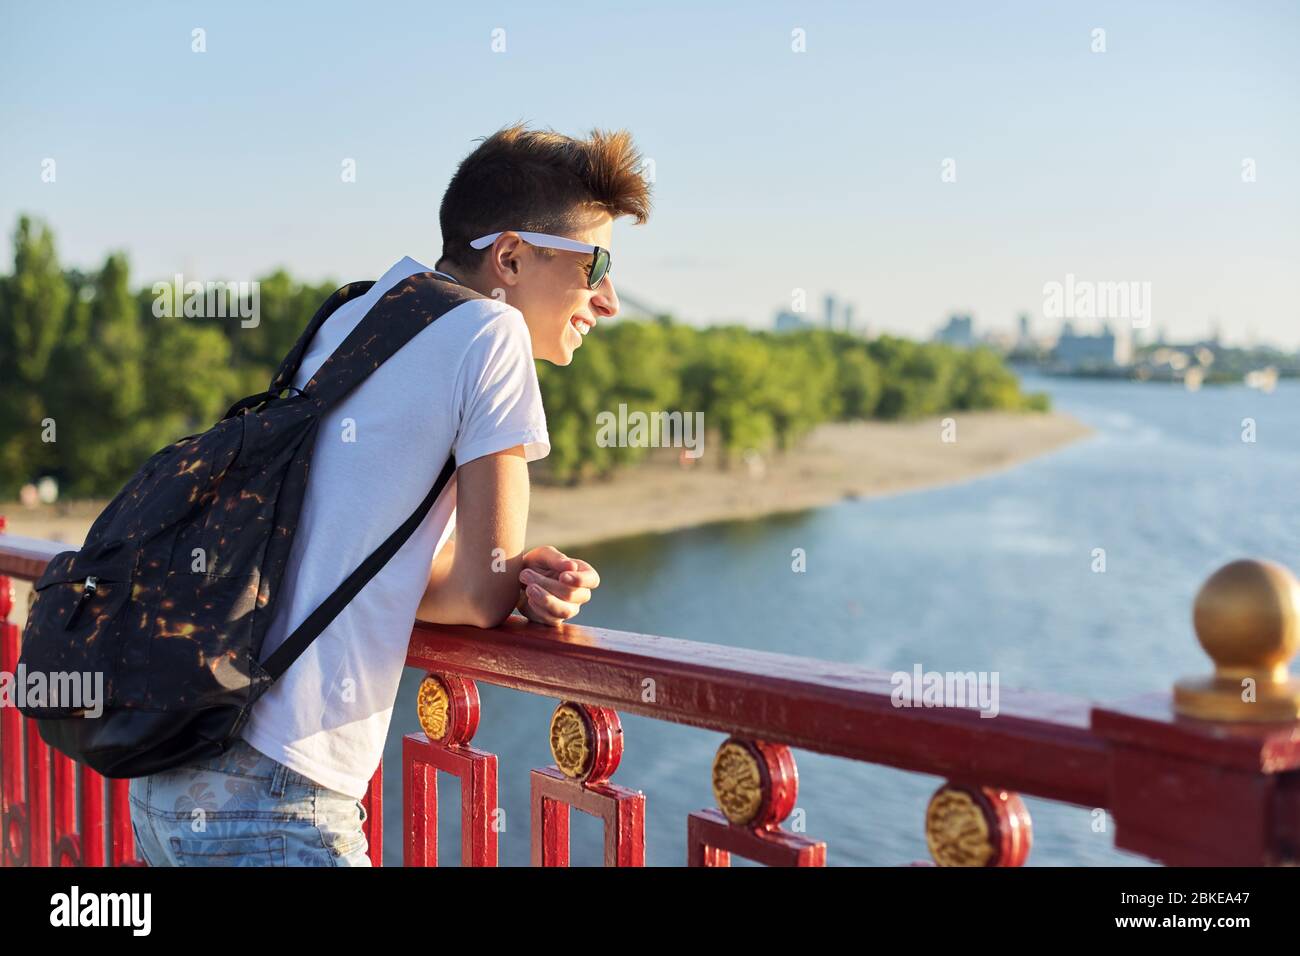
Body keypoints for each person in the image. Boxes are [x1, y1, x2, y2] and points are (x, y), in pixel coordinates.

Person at [127, 123, 652, 866]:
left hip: (173, 768)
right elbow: (477, 597)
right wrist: (512, 578)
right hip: (278, 794)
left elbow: (357, 567)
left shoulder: (354, 312)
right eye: (595, 264)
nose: (608, 301)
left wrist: (504, 573)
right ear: (509, 256)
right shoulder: (492, 334)